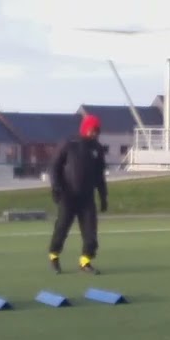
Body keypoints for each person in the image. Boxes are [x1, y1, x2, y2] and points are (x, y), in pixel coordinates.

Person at [47, 114, 108, 274]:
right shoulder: (69, 144)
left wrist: (103, 196)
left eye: (97, 130)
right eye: (92, 130)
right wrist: (56, 187)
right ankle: (54, 257)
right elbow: (54, 167)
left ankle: (85, 262)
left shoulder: (97, 149)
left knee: (90, 233)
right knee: (62, 228)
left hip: (87, 198)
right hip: (68, 196)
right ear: (85, 128)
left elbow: (100, 175)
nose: (94, 133)